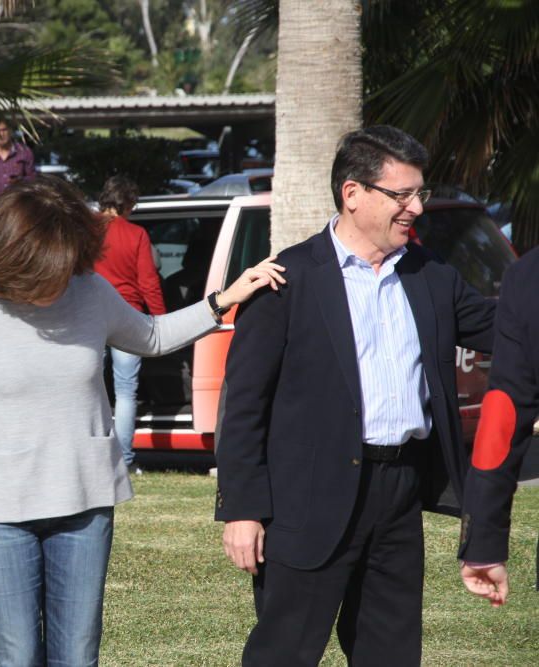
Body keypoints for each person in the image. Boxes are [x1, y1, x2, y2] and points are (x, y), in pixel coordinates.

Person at [0, 176, 285, 666]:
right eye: (46, 274)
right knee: (15, 656)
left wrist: (223, 300)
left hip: (84, 505)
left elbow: (153, 336)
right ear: (11, 257)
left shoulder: (90, 291)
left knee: (78, 656)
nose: (59, 286)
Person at [216, 125, 496, 666]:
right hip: (307, 498)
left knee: (389, 653)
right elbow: (244, 404)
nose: (416, 207)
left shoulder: (430, 275)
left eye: (421, 193)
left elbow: (505, 328)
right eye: (402, 195)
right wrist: (243, 510)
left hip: (398, 493)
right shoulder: (287, 280)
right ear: (352, 193)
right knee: (285, 652)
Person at [459, 248, 539, 606]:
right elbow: (503, 411)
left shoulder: (528, 274)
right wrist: (483, 542)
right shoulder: (529, 277)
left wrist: (484, 543)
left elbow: (503, 411)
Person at [93, 175, 165, 473]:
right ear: (127, 203)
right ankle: (122, 461)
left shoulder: (85, 231)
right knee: (125, 392)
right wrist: (161, 321)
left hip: (89, 318)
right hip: (128, 316)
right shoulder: (136, 235)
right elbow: (148, 282)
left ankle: (92, 459)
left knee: (89, 390)